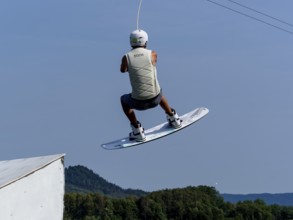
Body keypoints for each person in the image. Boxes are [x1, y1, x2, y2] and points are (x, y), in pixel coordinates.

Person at [120, 29, 181, 142]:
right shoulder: (152, 54)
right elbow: (153, 63)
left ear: (130, 42)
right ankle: (173, 118)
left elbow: (122, 70)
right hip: (156, 100)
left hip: (137, 103)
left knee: (123, 100)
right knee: (158, 91)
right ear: (146, 42)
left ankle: (137, 130)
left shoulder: (126, 57)